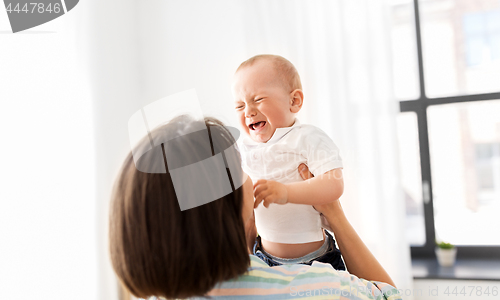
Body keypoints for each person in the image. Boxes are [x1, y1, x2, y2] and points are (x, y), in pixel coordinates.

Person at [109, 116, 400, 299]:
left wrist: (244, 242)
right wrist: (336, 217)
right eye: (240, 167)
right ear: (231, 204)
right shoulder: (322, 288)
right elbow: (391, 296)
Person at [232, 54, 345, 269]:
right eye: (239, 106)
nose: (248, 111)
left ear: (294, 101)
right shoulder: (244, 149)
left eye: (257, 99)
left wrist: (287, 192)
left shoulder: (307, 137)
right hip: (264, 258)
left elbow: (335, 184)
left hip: (315, 261)